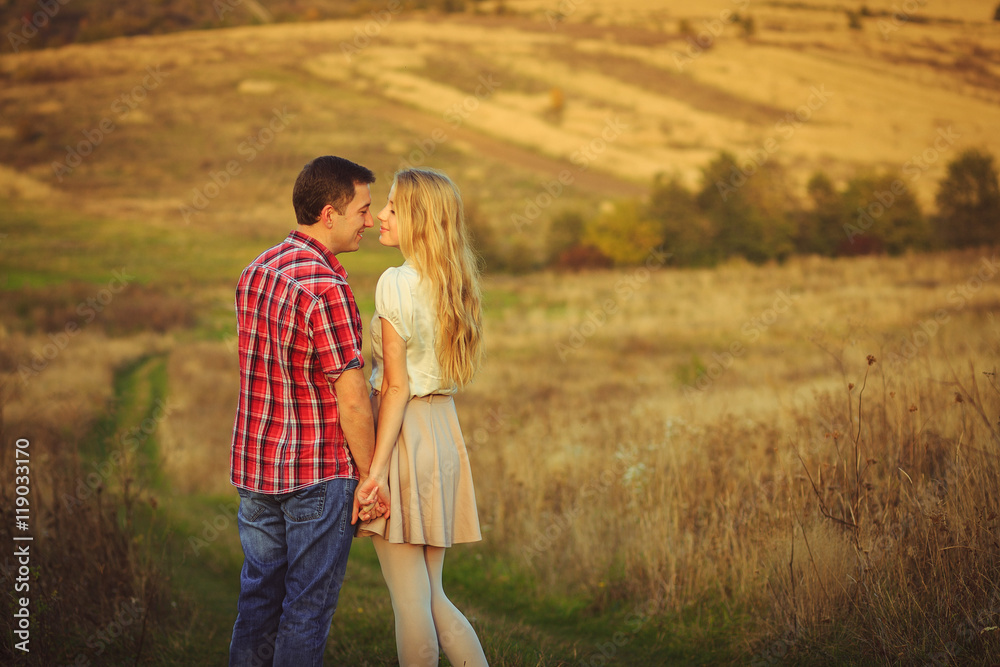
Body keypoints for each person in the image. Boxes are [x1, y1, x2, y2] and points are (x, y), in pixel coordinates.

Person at [229, 155, 388, 666]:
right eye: (362, 210)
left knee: (257, 600)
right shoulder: (327, 288)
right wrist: (369, 478)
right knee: (306, 610)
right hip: (316, 476)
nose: (369, 221)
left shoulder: (256, 271)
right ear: (329, 213)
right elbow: (353, 398)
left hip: (255, 471)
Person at [357, 167, 489, 666]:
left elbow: (395, 386)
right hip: (442, 432)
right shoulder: (452, 282)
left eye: (391, 207)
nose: (380, 218)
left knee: (412, 603)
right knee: (433, 596)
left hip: (403, 432)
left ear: (416, 217)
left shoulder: (396, 282)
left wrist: (374, 473)